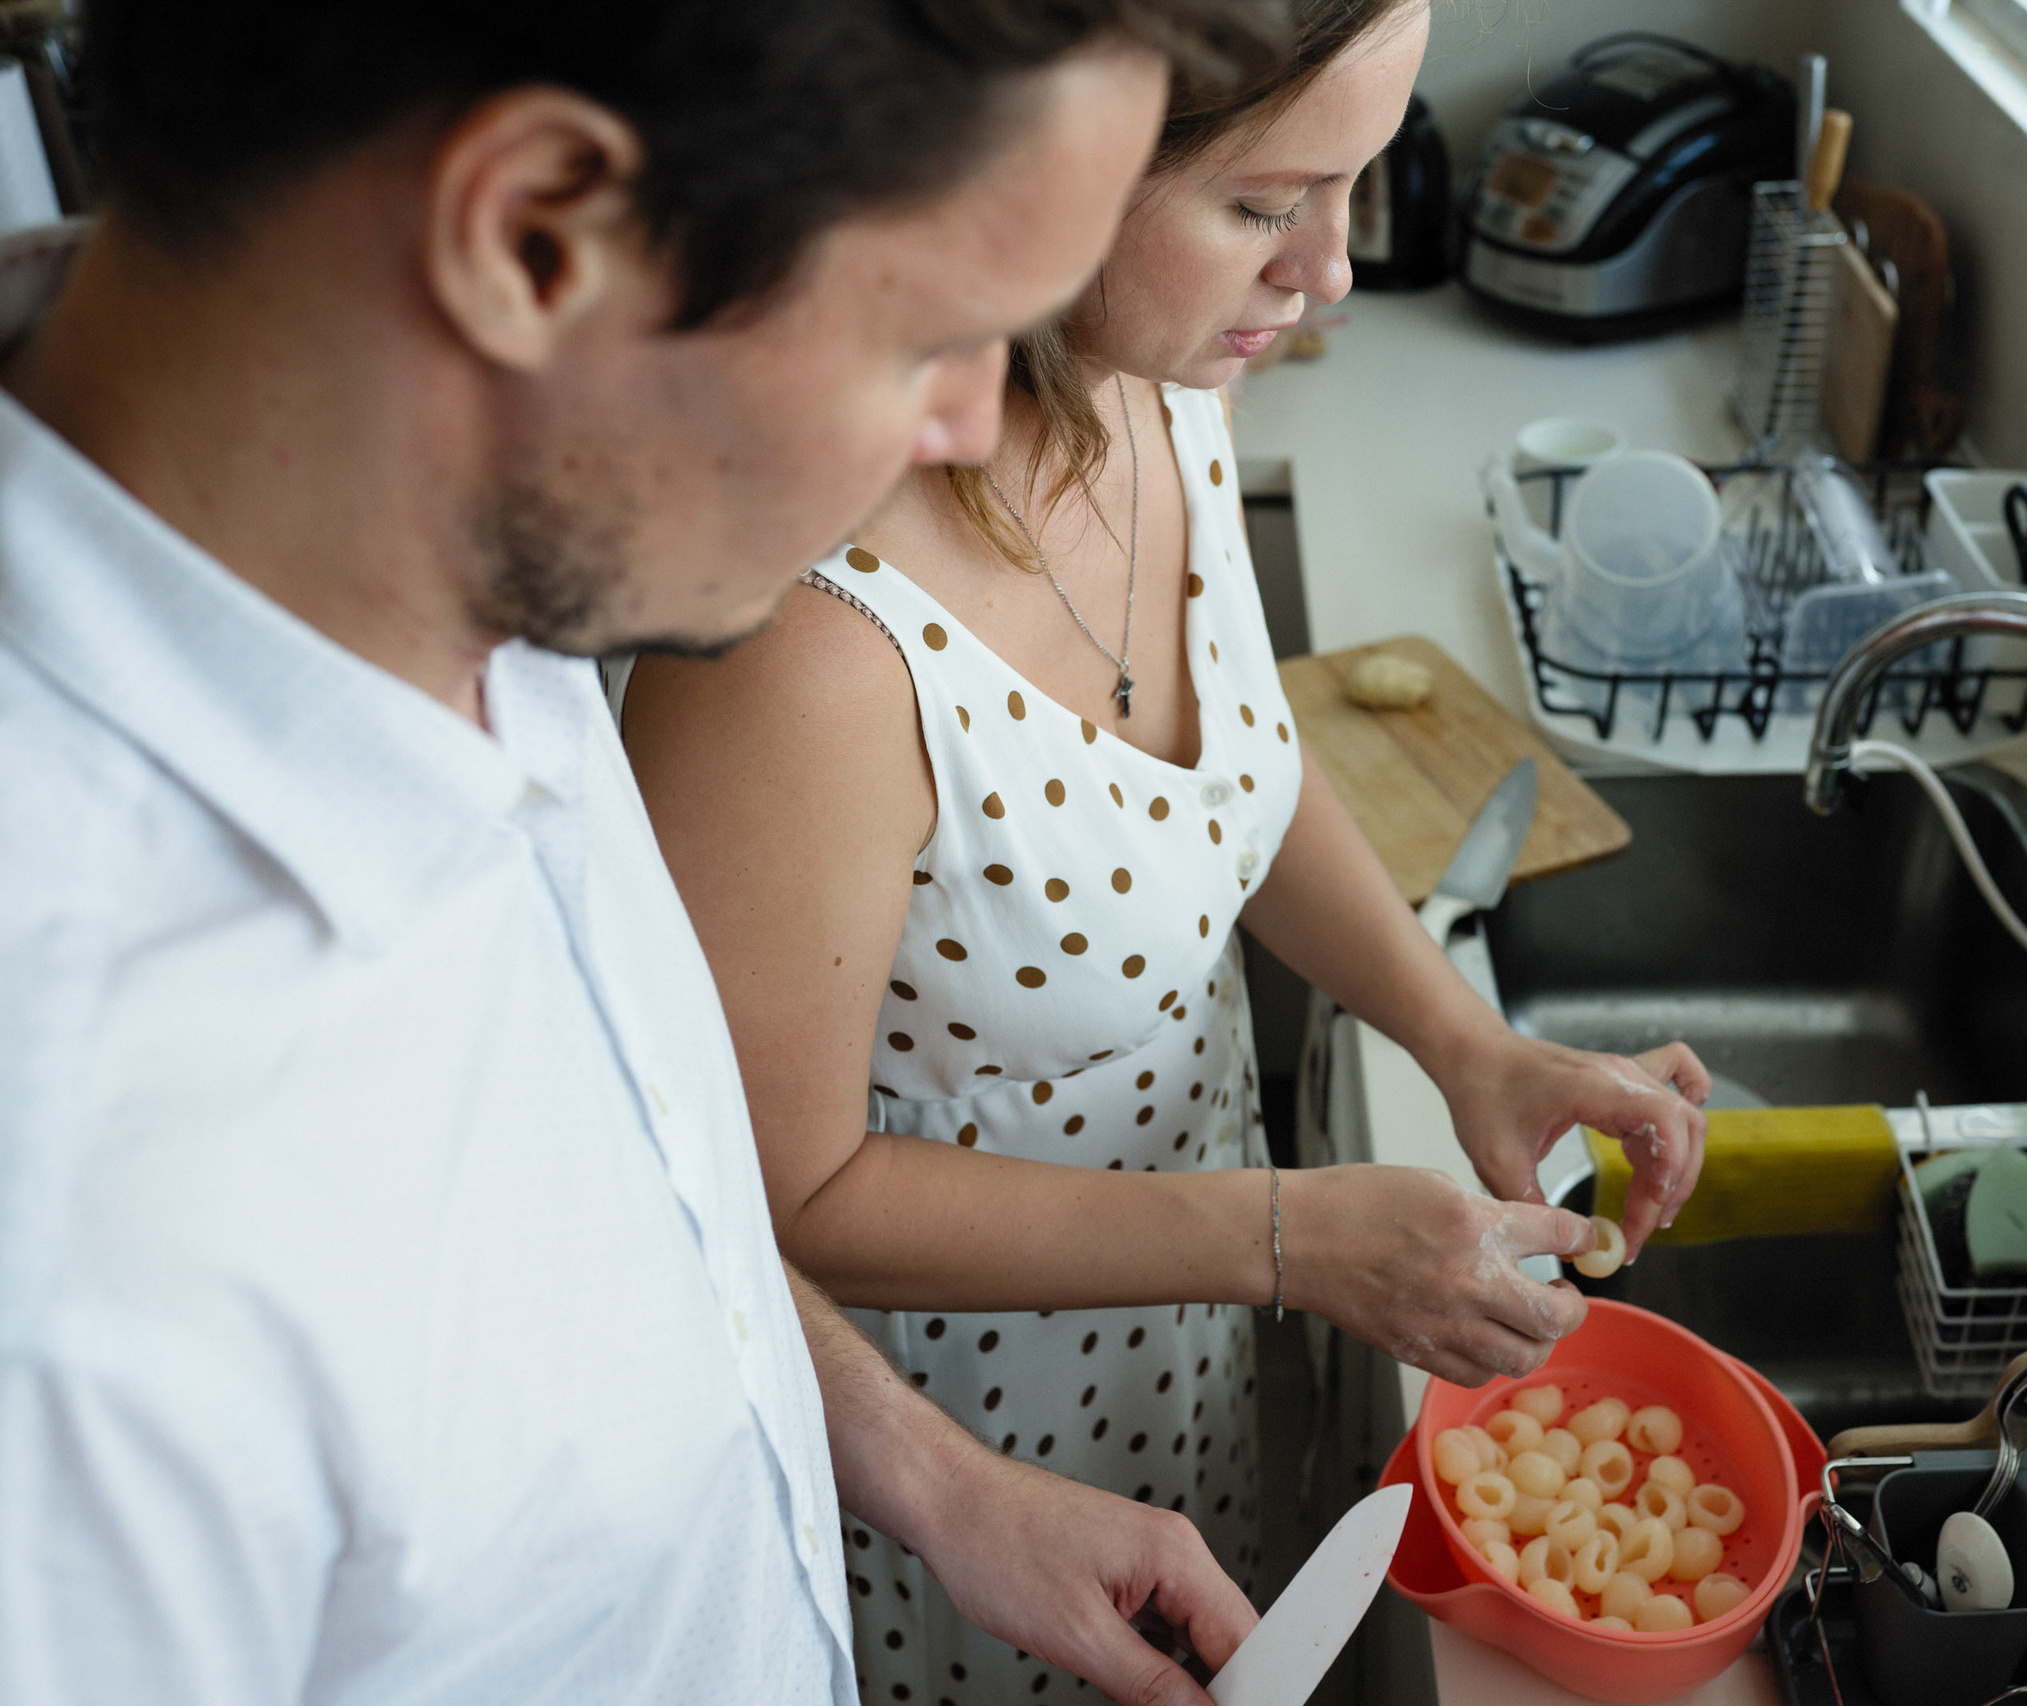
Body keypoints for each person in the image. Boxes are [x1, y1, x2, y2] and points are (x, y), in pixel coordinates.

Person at [0, 3, 1298, 1704]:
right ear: (535, 235)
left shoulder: (458, 527)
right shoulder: (83, 1240)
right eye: (928, 337)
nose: (976, 427)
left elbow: (622, 1190)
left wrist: (929, 1474)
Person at [619, 0, 1711, 1693]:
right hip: (961, 1452)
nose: (1331, 272)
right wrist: (1290, 1237)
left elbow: (1229, 782)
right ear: (1049, 158)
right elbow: (786, 1196)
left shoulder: (1158, 375)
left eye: (1354, 187)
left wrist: (1465, 1039)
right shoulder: (806, 643)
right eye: (1268, 206)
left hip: (1179, 1353)